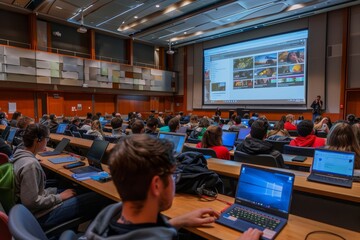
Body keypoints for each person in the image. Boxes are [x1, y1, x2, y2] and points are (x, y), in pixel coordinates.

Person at [84, 134, 262, 240]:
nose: (174, 182)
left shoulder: (107, 216)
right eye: (172, 176)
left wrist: (178, 221)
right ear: (156, 185)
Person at [10, 124, 106, 229]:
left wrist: (55, 192)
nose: (47, 142)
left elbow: (35, 193)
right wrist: (60, 197)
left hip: (34, 209)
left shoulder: (19, 155)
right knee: (99, 197)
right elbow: (32, 203)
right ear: (38, 140)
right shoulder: (30, 165)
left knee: (74, 189)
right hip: (41, 216)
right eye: (47, 138)